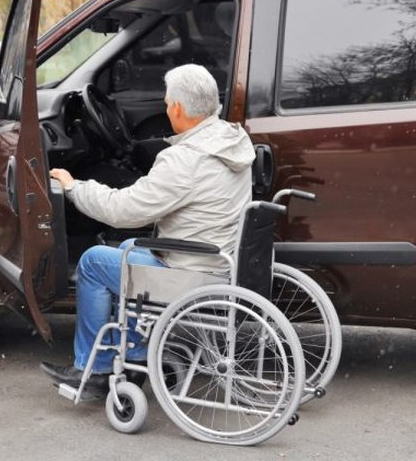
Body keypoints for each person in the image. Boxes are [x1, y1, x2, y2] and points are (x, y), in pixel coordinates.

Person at [40, 64, 255, 394]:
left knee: (94, 262)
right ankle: (135, 356)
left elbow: (122, 210)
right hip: (220, 262)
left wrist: (73, 186)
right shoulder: (231, 141)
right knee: (129, 250)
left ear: (178, 108)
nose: (167, 108)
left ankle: (94, 369)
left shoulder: (184, 160)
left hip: (190, 275)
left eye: (168, 102)